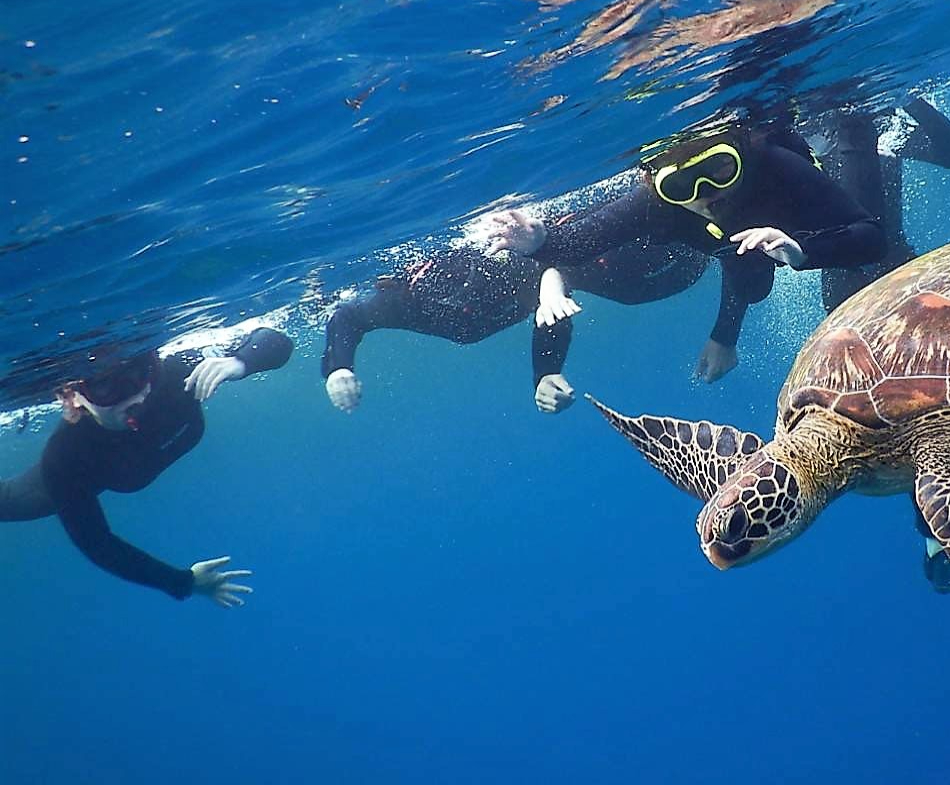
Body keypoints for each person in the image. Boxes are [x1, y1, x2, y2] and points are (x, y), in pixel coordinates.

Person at [489, 121, 886, 383]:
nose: (704, 194)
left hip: (811, 215)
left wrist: (801, 251)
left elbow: (870, 239)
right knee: (752, 285)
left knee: (861, 272)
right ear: (658, 187)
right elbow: (578, 244)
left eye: (717, 170)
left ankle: (877, 137)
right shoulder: (655, 204)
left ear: (740, 155)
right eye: (680, 185)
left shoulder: (774, 166)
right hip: (745, 256)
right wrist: (537, 243)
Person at [0, 327, 293, 604]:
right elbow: (97, 544)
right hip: (58, 486)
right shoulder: (66, 458)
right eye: (103, 386)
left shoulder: (176, 374)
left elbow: (275, 340)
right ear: (72, 397)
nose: (133, 393)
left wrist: (239, 363)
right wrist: (183, 582)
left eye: (138, 372)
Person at [321, 219, 708, 415]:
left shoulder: (503, 267)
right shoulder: (404, 301)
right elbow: (346, 317)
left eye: (466, 279)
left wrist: (547, 370)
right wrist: (339, 368)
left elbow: (553, 302)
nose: (462, 293)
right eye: (446, 289)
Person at [803, 97, 950, 311]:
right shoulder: (810, 146)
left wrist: (909, 99)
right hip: (853, 279)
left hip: (892, 268)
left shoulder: (884, 130)